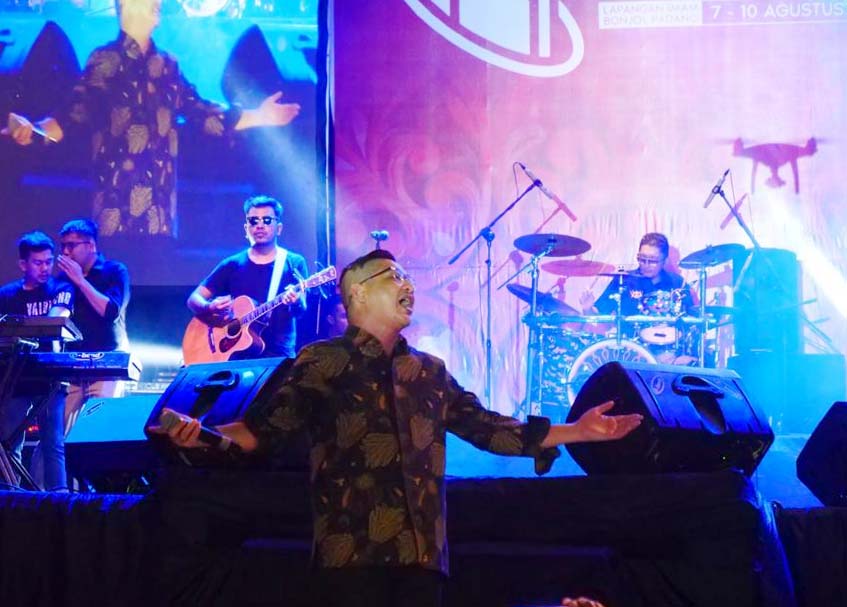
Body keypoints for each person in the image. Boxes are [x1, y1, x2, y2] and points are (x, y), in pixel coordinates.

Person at [160, 249, 643, 607]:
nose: (407, 285)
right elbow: (263, 431)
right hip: (351, 555)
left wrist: (578, 431)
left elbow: (487, 428)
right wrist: (203, 435)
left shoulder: (428, 371)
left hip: (421, 556)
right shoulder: (323, 360)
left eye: (408, 277)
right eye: (394, 277)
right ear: (358, 293)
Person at [2, 0, 300, 237]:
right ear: (126, 6)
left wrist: (260, 116)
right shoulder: (105, 61)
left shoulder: (167, 65)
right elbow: (68, 117)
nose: (158, 4)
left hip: (160, 219)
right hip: (115, 215)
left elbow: (204, 114)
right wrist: (31, 130)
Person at [186, 195, 308, 360]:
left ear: (279, 228)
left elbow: (301, 310)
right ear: (246, 229)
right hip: (236, 357)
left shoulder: (294, 263)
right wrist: (209, 307)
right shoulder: (232, 264)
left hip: (278, 356)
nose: (260, 225)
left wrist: (296, 302)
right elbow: (194, 299)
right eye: (253, 221)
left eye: (267, 220)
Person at [0, 231, 74, 490]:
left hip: (51, 377)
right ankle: (11, 497)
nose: (45, 268)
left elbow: (57, 320)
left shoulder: (61, 289)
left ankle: (59, 501)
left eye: (48, 261)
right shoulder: (6, 295)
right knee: (9, 443)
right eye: (38, 262)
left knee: (53, 444)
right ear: (23, 264)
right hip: (16, 378)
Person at [57, 218, 131, 436]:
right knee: (63, 435)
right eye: (63, 246)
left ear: (91, 245)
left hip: (107, 365)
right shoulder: (63, 279)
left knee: (100, 430)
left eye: (71, 245)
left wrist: (81, 281)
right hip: (72, 367)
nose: (66, 252)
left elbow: (110, 312)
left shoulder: (114, 271)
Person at [580, 232, 697, 363]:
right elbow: (600, 315)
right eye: (642, 259)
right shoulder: (624, 281)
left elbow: (692, 323)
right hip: (631, 354)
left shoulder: (677, 283)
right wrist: (587, 309)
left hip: (669, 354)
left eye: (652, 261)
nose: (646, 264)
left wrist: (687, 354)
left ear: (664, 261)